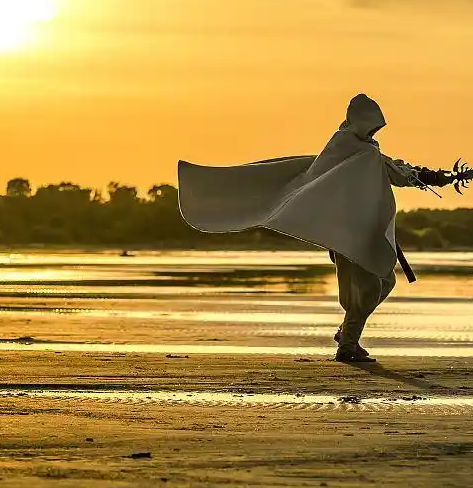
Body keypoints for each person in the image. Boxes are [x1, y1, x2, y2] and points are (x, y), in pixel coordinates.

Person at [177, 93, 444, 362]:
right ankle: (348, 345)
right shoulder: (348, 146)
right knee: (366, 288)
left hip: (360, 234)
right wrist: (418, 176)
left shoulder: (365, 149)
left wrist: (431, 177)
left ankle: (347, 335)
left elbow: (393, 170)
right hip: (346, 235)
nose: (374, 131)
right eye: (372, 125)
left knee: (383, 282)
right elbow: (377, 170)